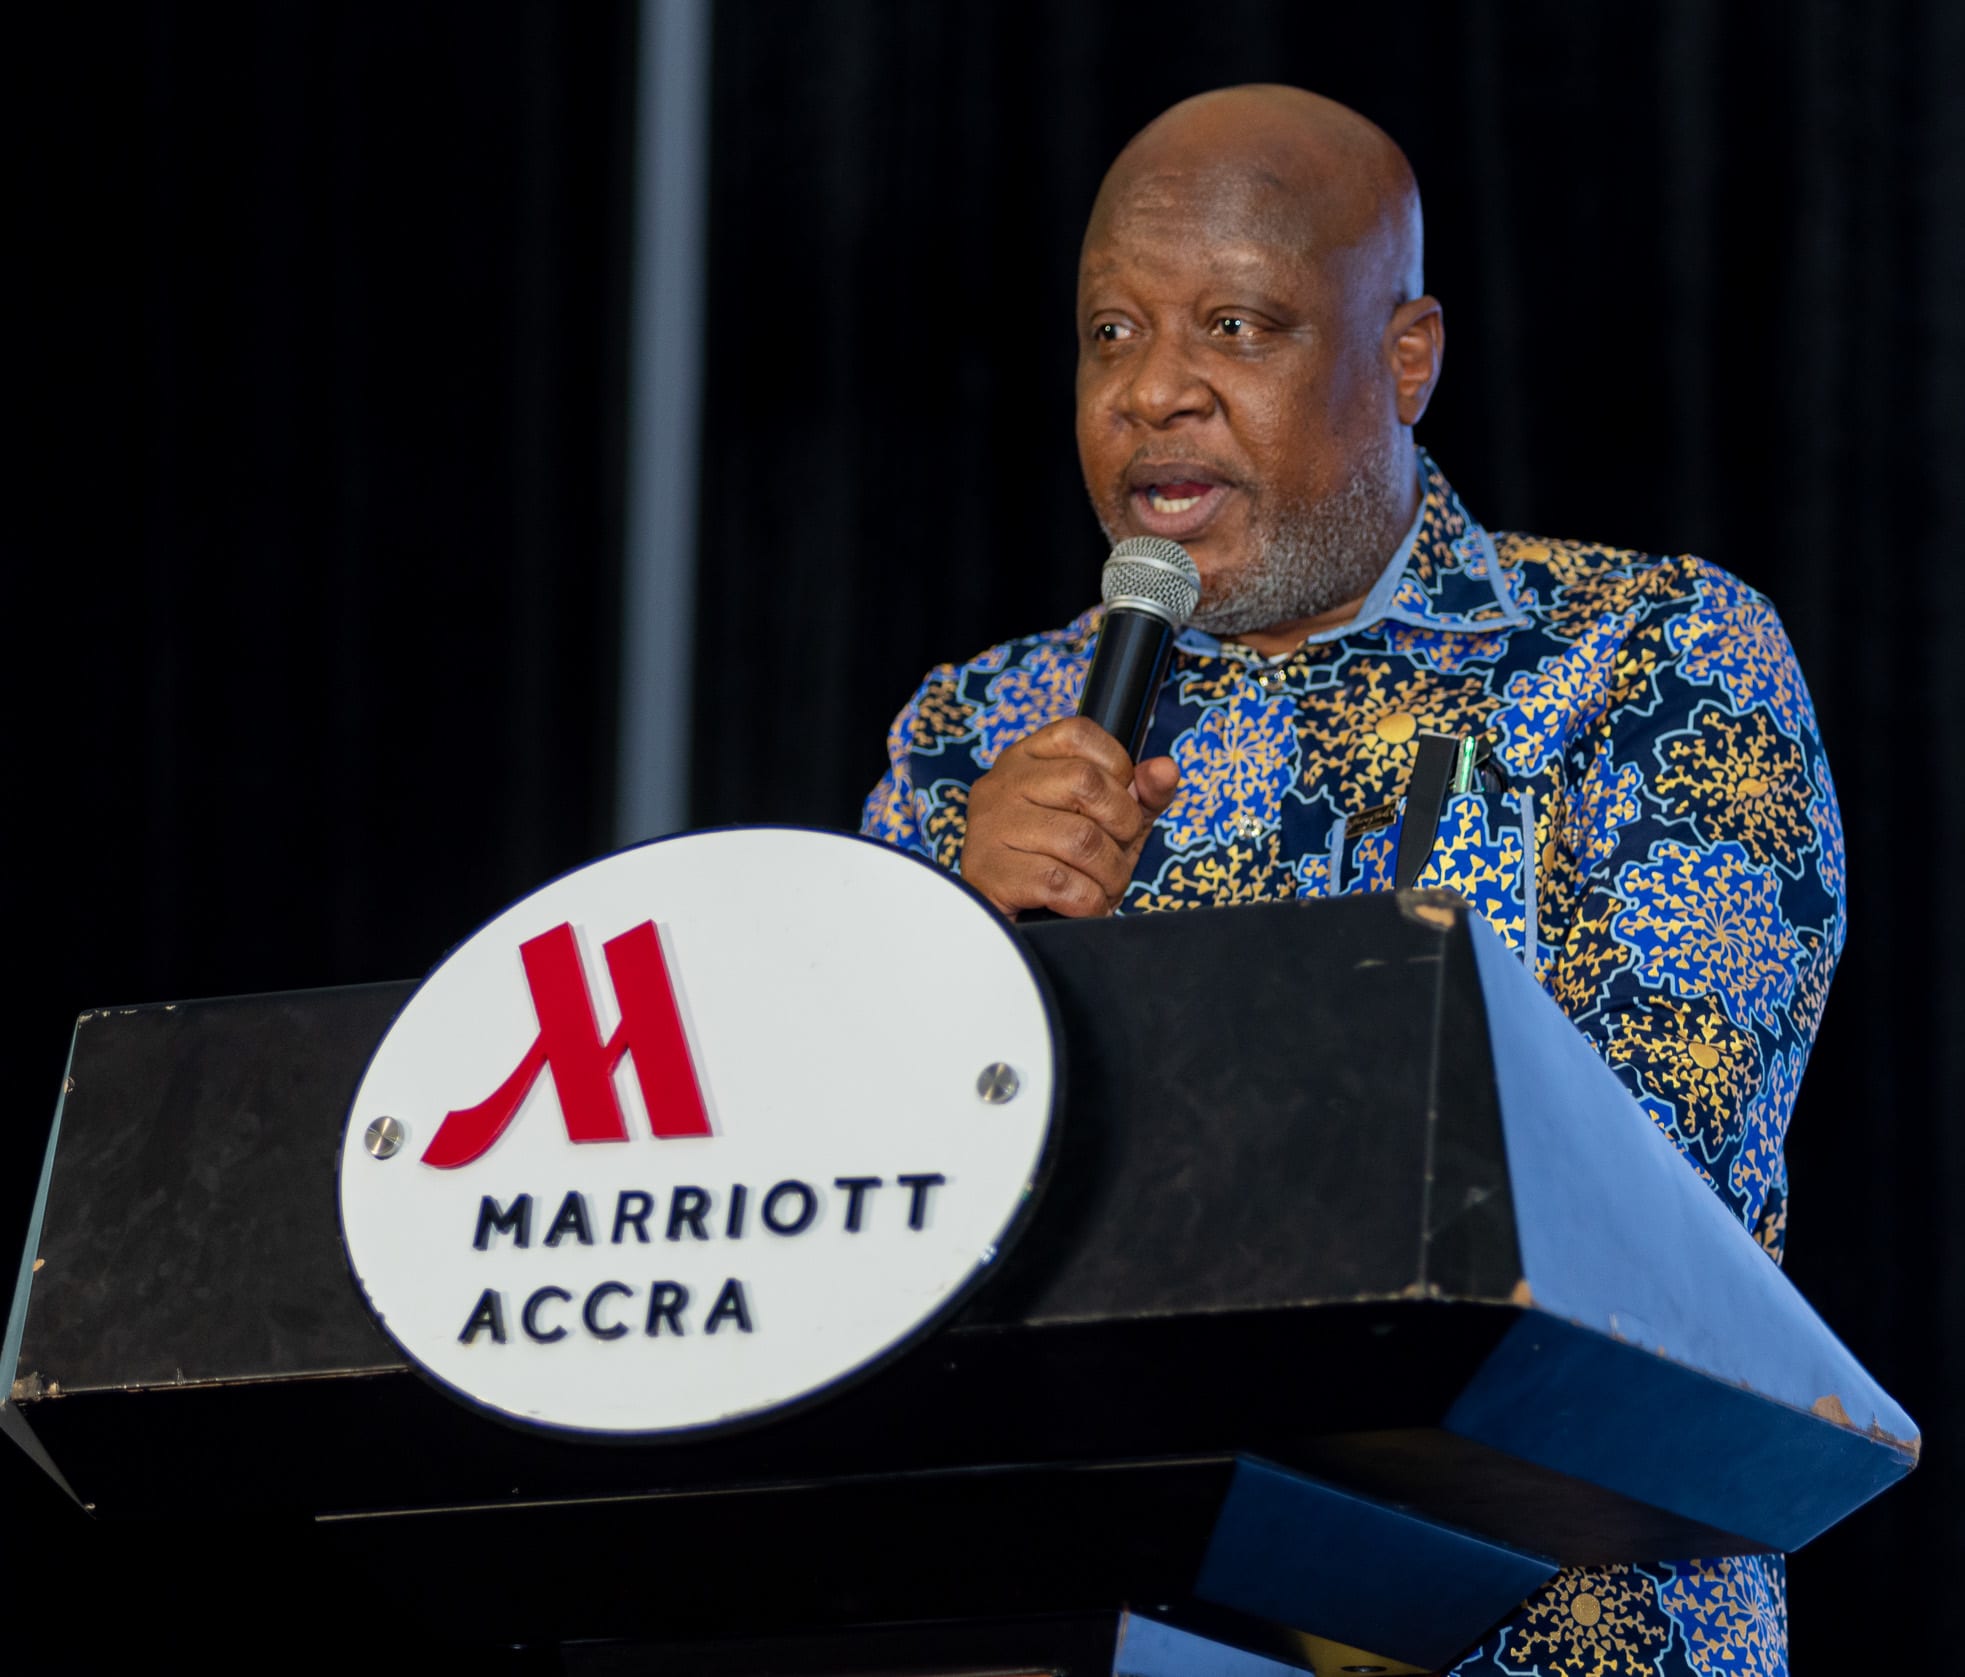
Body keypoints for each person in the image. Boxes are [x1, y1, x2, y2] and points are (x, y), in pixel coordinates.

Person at [864, 84, 1834, 1675]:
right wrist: (962, 938)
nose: (1153, 390)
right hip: (1081, 1604)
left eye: (1235, 326)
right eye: (1110, 333)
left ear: (1405, 357)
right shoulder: (977, 730)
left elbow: (1649, 1191)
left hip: (1542, 1623)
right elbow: (838, 1225)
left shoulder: (1642, 658)